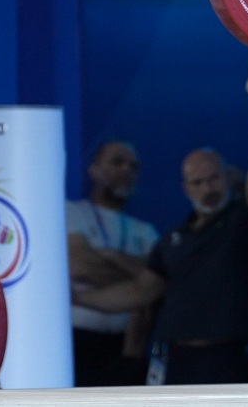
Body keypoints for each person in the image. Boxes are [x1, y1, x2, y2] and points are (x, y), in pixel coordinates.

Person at [71, 147, 248, 385]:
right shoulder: (173, 238)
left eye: (214, 178)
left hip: (225, 358)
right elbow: (140, 291)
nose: (207, 189)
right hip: (176, 359)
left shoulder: (242, 219)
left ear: (229, 178)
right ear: (186, 189)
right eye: (197, 182)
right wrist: (75, 298)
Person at [66, 140, 160, 386]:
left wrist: (110, 256)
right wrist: (138, 282)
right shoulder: (72, 212)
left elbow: (157, 285)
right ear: (94, 170)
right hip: (76, 343)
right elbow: (79, 266)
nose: (126, 170)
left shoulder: (146, 231)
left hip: (124, 349)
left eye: (133, 166)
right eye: (117, 162)